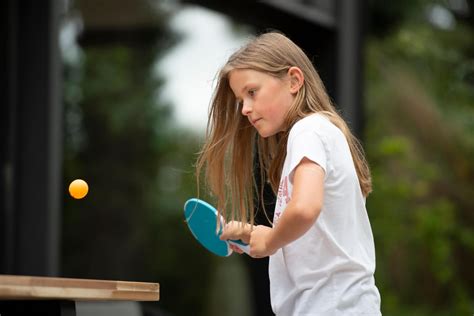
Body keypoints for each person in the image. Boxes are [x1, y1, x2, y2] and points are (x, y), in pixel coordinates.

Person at [196, 31, 381, 315]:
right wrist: (257, 235)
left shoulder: (308, 130)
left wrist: (270, 241)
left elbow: (305, 208)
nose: (244, 109)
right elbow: (312, 236)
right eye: (239, 100)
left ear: (294, 81)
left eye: (252, 92)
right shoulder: (320, 132)